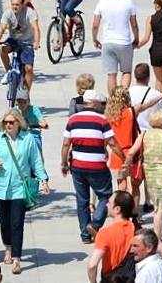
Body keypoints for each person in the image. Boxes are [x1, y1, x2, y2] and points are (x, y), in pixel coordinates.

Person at [0, 109, 50, 274]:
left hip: (19, 188)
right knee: (4, 222)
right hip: (1, 188)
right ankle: (7, 247)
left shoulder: (27, 139)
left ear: (18, 123)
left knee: (17, 223)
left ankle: (16, 259)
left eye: (11, 122)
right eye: (6, 122)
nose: (8, 125)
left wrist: (43, 179)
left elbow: (35, 161)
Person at [62, 87, 118, 241]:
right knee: (106, 196)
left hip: (77, 165)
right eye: (100, 103)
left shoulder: (73, 120)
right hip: (97, 166)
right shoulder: (102, 120)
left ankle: (85, 235)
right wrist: (125, 157)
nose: (102, 106)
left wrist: (63, 163)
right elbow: (113, 143)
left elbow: (66, 144)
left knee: (82, 199)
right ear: (93, 104)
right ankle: (95, 224)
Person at [92, 0, 141, 92]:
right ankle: (122, 98)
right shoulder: (128, 3)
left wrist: (95, 39)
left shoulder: (102, 3)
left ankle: (113, 101)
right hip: (124, 42)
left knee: (111, 75)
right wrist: (136, 38)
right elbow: (134, 24)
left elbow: (95, 25)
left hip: (108, 42)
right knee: (126, 72)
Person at [0, 0, 40, 101]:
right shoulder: (8, 13)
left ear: (22, 4)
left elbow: (35, 28)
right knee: (3, 49)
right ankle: (8, 71)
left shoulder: (29, 12)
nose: (15, 7)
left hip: (27, 42)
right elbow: (3, 27)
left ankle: (26, 95)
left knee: (28, 69)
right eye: (13, 4)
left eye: (17, 5)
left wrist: (36, 42)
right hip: (13, 40)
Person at [84, 192, 137, 283]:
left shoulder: (105, 233)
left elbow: (92, 265)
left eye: (109, 202)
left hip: (111, 279)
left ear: (117, 209)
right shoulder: (137, 230)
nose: (106, 204)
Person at [107, 84, 143, 201]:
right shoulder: (131, 112)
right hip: (131, 151)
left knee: (121, 185)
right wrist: (160, 97)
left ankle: (122, 208)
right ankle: (134, 210)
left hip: (116, 152)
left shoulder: (109, 116)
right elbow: (145, 105)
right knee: (134, 185)